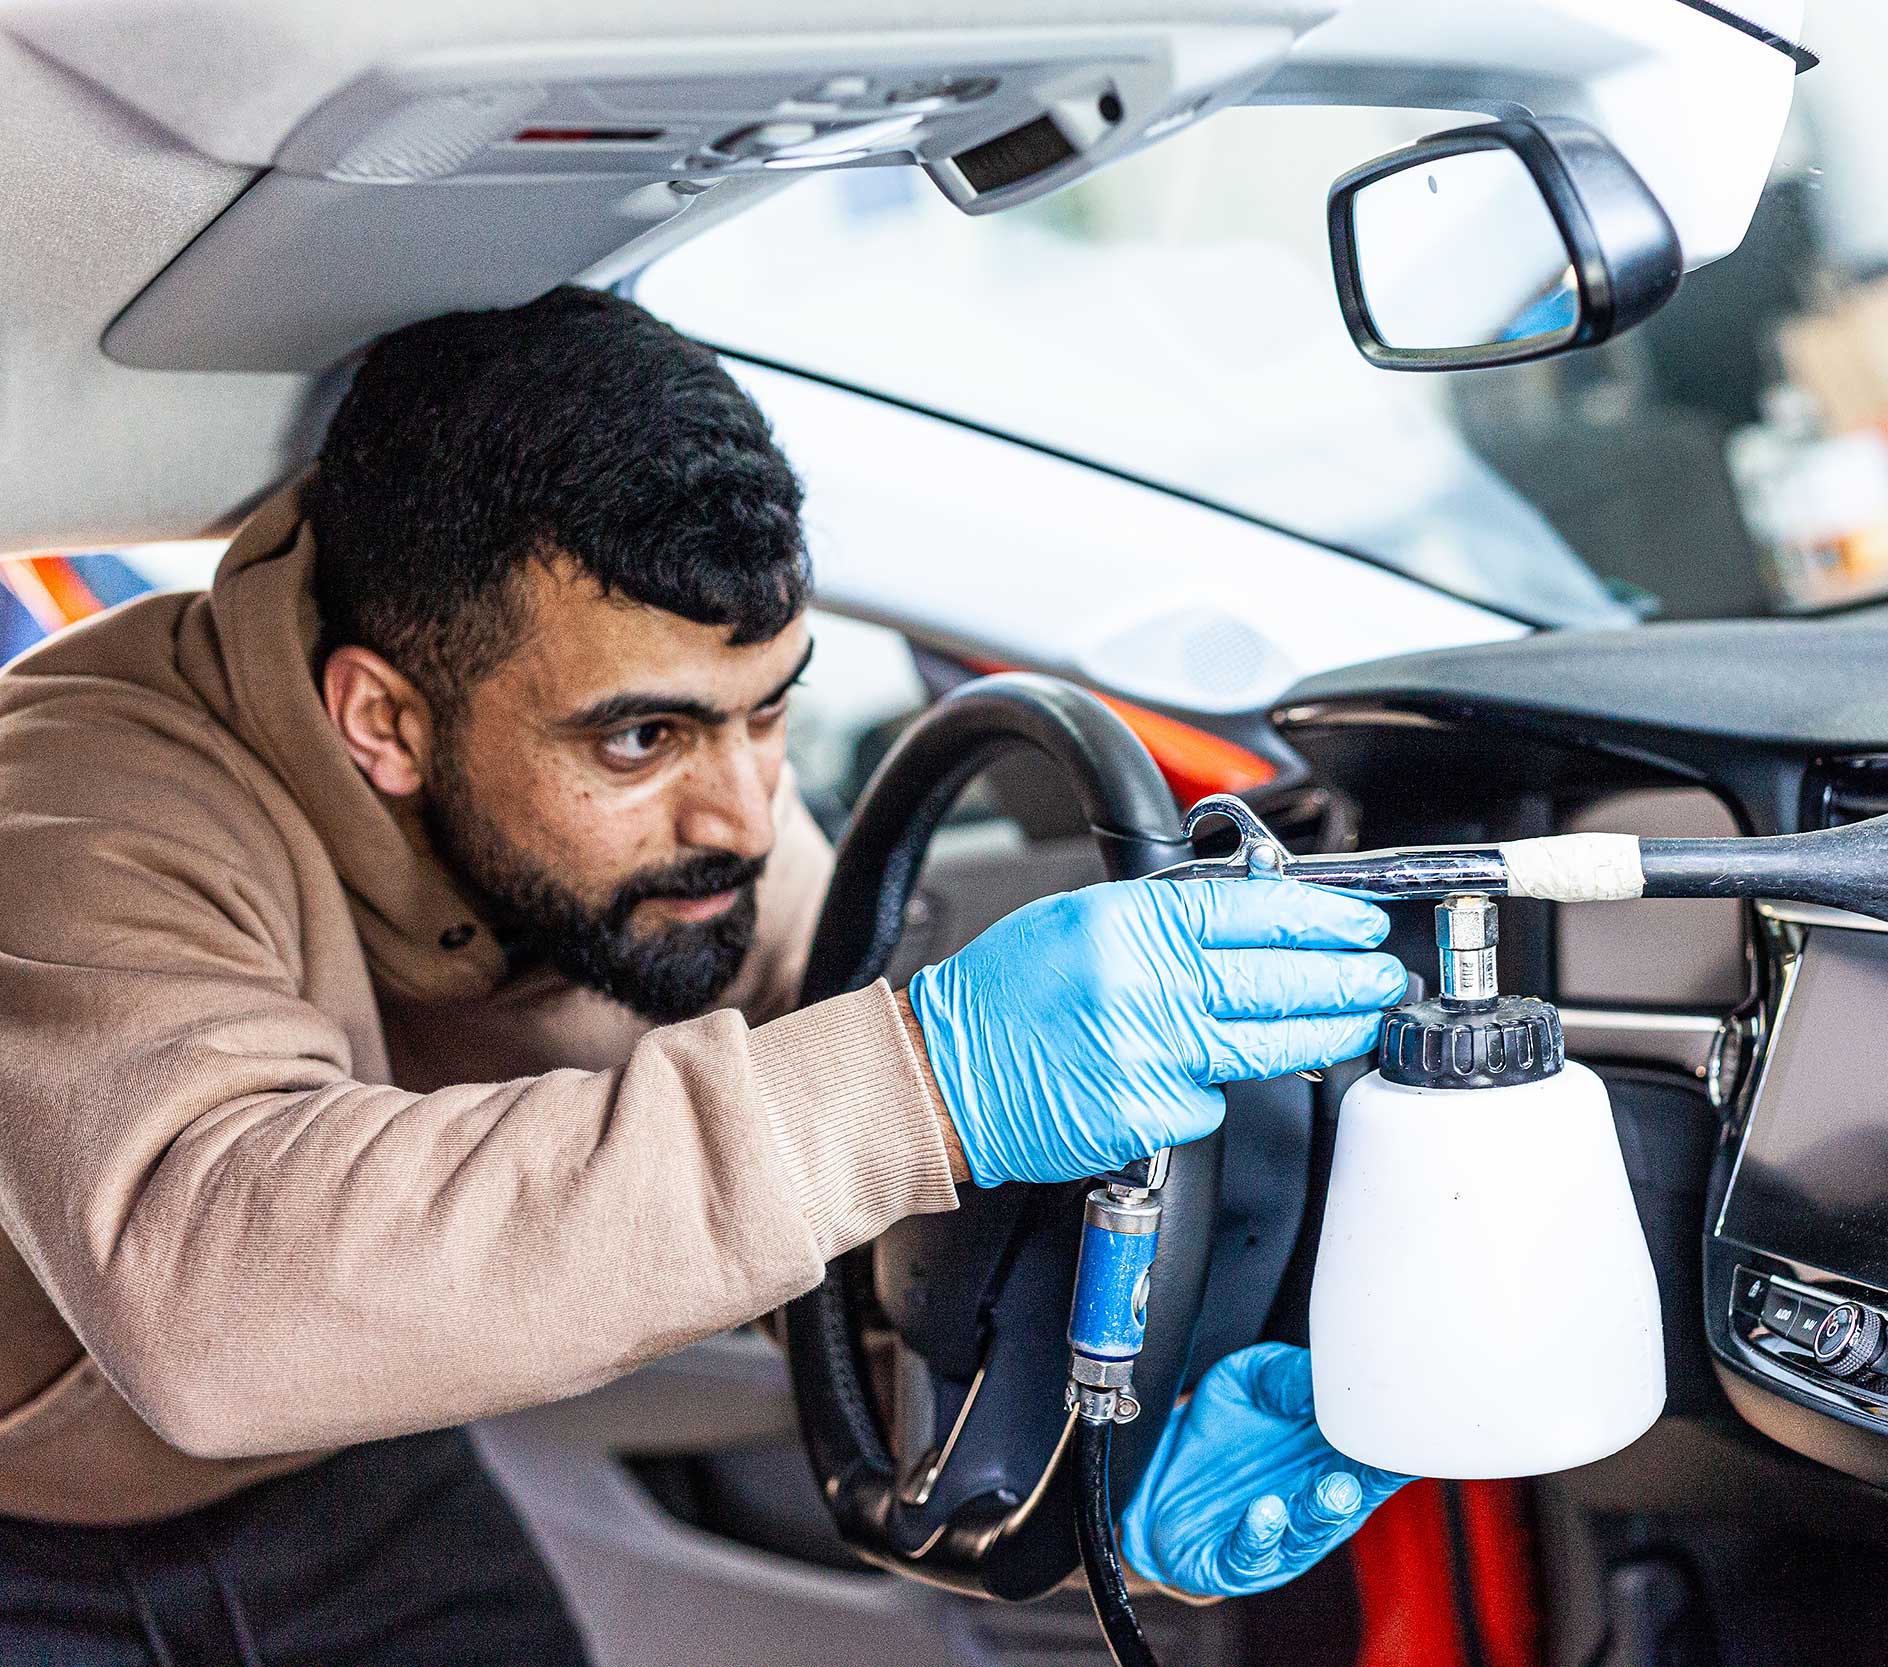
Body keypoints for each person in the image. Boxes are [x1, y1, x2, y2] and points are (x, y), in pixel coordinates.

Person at [0, 288, 1410, 1663]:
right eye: (640, 739)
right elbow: (214, 1307)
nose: (740, 815)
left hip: (348, 1468)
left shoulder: (699, 833)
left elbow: (862, 1190)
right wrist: (924, 1076)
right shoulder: (81, 801)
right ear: (385, 720)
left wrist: (1091, 1447)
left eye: (772, 709)